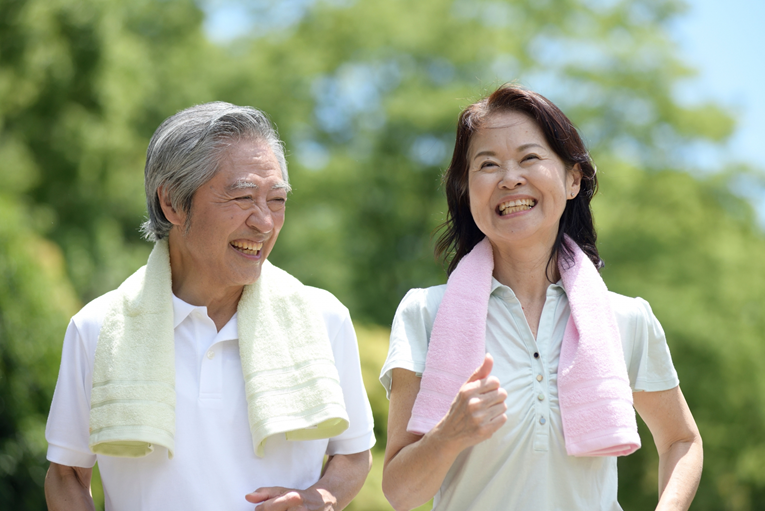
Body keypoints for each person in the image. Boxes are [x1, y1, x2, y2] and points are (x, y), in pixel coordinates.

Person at [379, 85, 703, 511]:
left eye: (529, 158)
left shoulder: (626, 318)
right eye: (487, 164)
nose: (509, 178)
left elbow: (682, 440)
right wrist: (449, 434)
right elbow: (401, 494)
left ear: (573, 179)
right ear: (466, 189)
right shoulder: (424, 313)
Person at [44, 102, 375, 511]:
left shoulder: (325, 320)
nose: (264, 222)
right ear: (172, 204)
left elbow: (354, 454)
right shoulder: (97, 328)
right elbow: (66, 475)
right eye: (242, 197)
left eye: (276, 199)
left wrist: (318, 500)